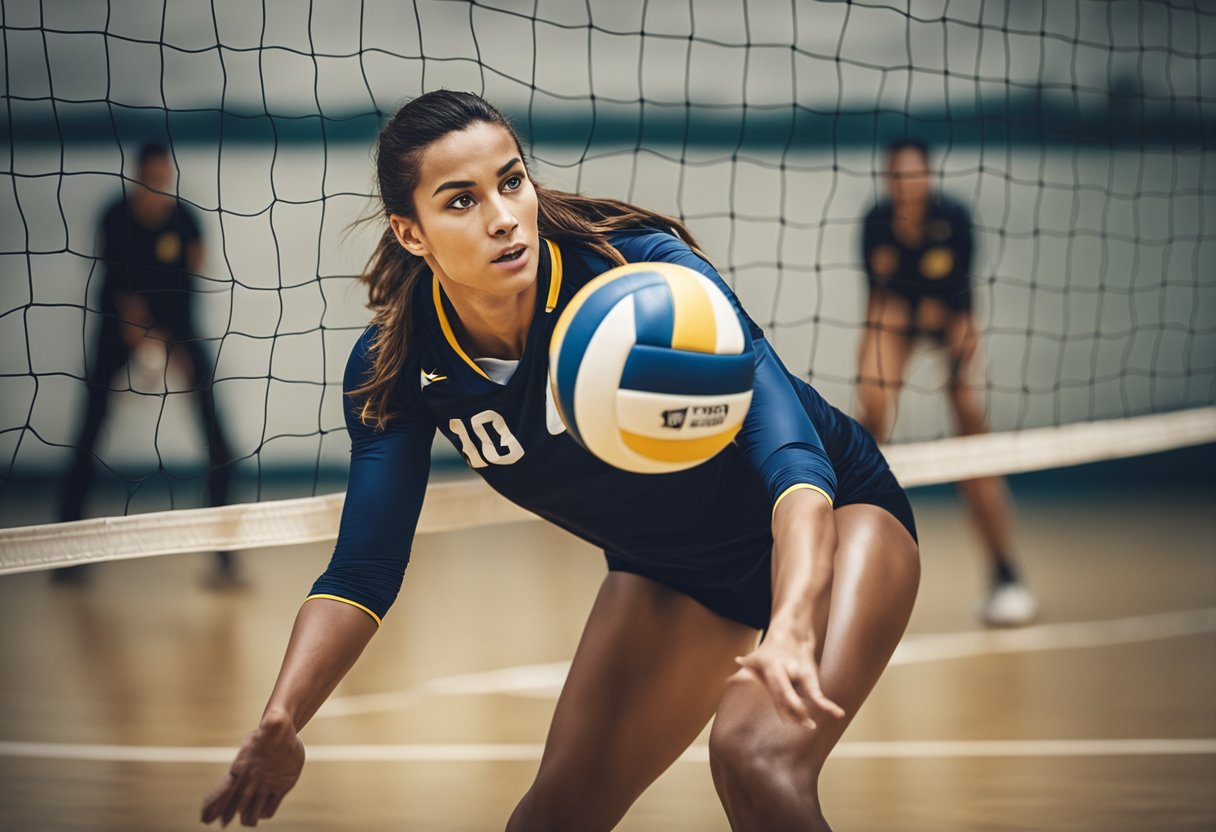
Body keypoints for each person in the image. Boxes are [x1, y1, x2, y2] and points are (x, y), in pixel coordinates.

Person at [200, 91, 920, 831]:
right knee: (549, 822)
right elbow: (363, 568)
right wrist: (283, 717)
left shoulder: (638, 272)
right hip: (671, 575)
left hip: (832, 521)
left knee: (754, 755)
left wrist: (796, 618)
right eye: (461, 201)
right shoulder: (397, 364)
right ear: (409, 233)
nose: (503, 215)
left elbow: (793, 457)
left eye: (512, 181)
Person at [856, 139, 1036, 626]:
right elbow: (879, 311)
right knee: (866, 426)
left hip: (948, 318)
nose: (906, 184)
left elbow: (965, 315)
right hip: (898, 319)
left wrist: (961, 377)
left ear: (927, 177)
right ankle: (850, 580)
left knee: (971, 428)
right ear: (889, 180)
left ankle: (1005, 574)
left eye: (914, 175)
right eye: (897, 176)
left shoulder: (952, 220)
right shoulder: (877, 223)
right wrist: (871, 390)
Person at [57, 143, 239, 586]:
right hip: (117, 329)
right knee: (87, 433)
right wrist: (140, 337)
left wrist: (170, 345)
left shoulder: (185, 218)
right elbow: (116, 287)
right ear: (137, 177)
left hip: (178, 327)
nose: (158, 190)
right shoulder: (115, 217)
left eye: (164, 182)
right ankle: (65, 554)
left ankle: (225, 558)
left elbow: (195, 269)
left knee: (220, 443)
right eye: (151, 182)